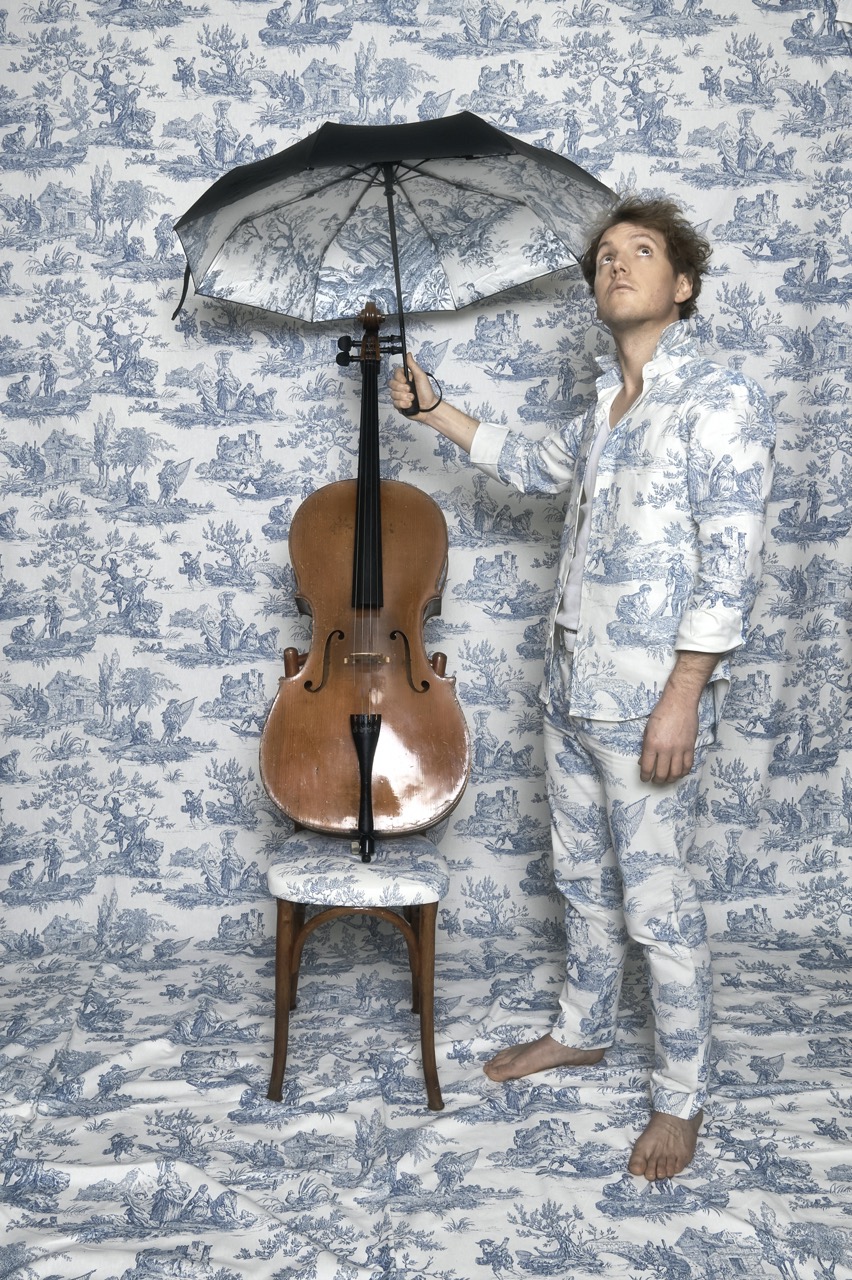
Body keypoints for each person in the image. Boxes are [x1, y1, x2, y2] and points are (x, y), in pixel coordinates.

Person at [389, 195, 775, 1180]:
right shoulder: (603, 405)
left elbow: (731, 563)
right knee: (581, 882)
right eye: (605, 254)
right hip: (567, 688)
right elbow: (524, 462)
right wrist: (433, 407)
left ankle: (680, 1099)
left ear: (683, 286)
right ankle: (583, 1027)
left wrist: (686, 690)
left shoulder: (718, 395)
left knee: (657, 903)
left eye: (640, 251)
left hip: (650, 697)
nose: (616, 265)